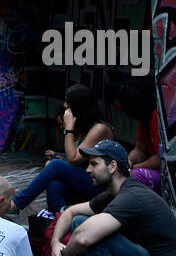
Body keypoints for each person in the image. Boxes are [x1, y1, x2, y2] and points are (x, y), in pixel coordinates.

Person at [10, 84, 112, 213]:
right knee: (54, 186)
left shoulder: (99, 128)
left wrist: (69, 128)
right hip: (88, 180)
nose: (64, 106)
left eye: (68, 103)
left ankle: (17, 204)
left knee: (55, 165)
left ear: (78, 106)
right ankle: (59, 218)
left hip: (102, 186)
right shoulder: (83, 127)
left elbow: (73, 159)